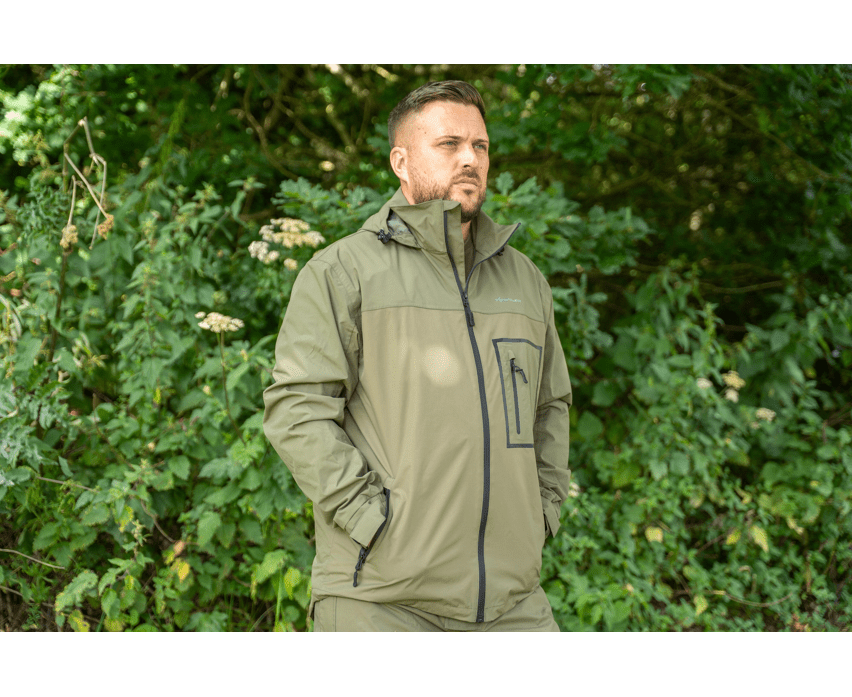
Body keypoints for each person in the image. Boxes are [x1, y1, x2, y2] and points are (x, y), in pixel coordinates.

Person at [262, 80, 572, 632]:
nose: (470, 159)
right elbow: (297, 410)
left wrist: (541, 511)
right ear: (400, 163)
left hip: (514, 604)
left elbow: (551, 408)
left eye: (479, 145)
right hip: (381, 600)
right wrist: (369, 519)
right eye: (449, 144)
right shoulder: (343, 272)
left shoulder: (525, 281)